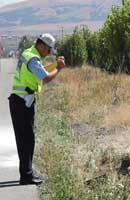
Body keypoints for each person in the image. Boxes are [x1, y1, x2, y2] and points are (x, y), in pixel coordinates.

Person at [8, 33, 65, 185]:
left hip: (21, 101)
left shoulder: (30, 55)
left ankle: (27, 174)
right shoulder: (33, 58)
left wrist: (54, 66)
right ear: (42, 45)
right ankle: (26, 176)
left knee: (26, 140)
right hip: (22, 102)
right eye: (48, 50)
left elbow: (41, 71)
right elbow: (45, 77)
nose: (48, 53)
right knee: (26, 140)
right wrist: (58, 69)